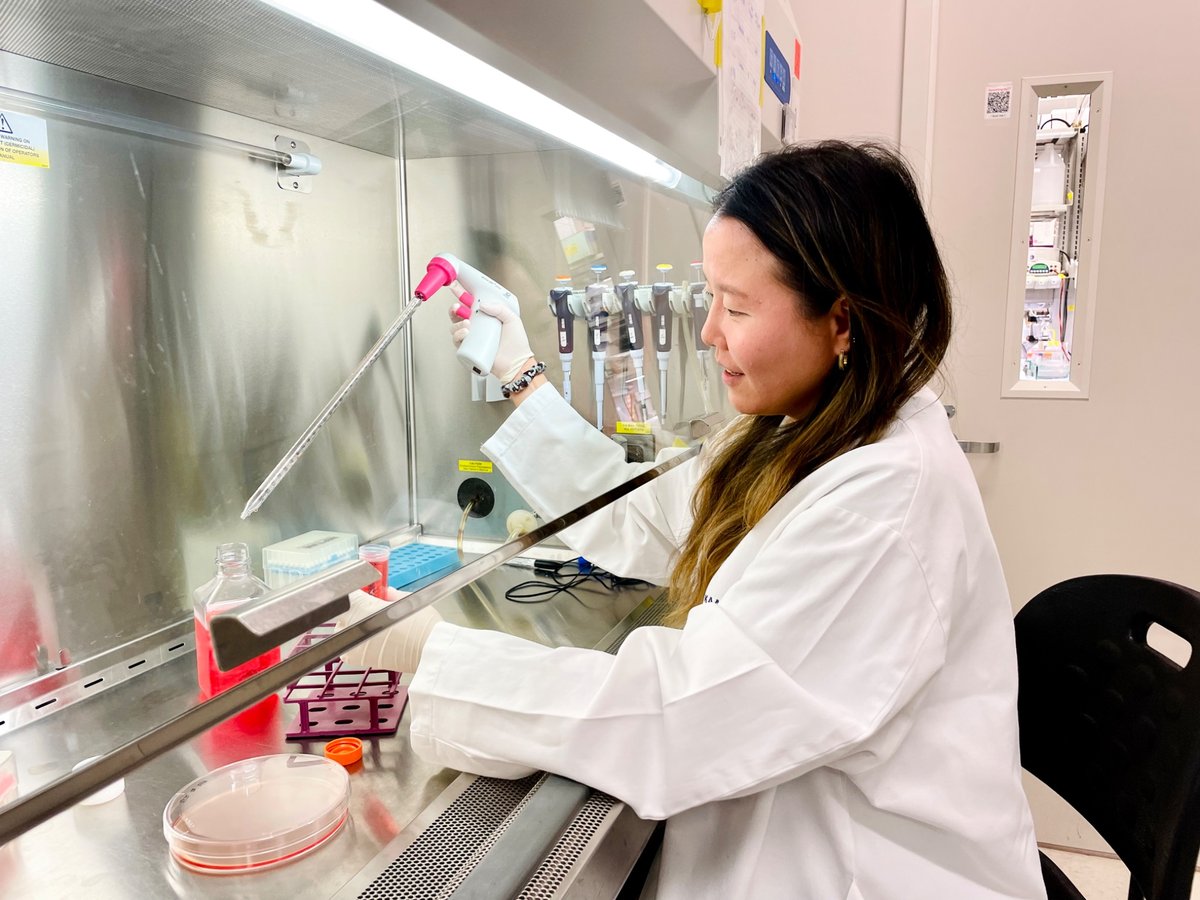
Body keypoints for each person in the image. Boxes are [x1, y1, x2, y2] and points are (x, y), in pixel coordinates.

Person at [344, 141, 1046, 899]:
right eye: (712, 297)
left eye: (736, 307)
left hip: (869, 873)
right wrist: (520, 373)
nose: (710, 332)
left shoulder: (888, 502)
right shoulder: (803, 428)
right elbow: (650, 517)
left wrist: (425, 651)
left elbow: (678, 721)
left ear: (841, 322)